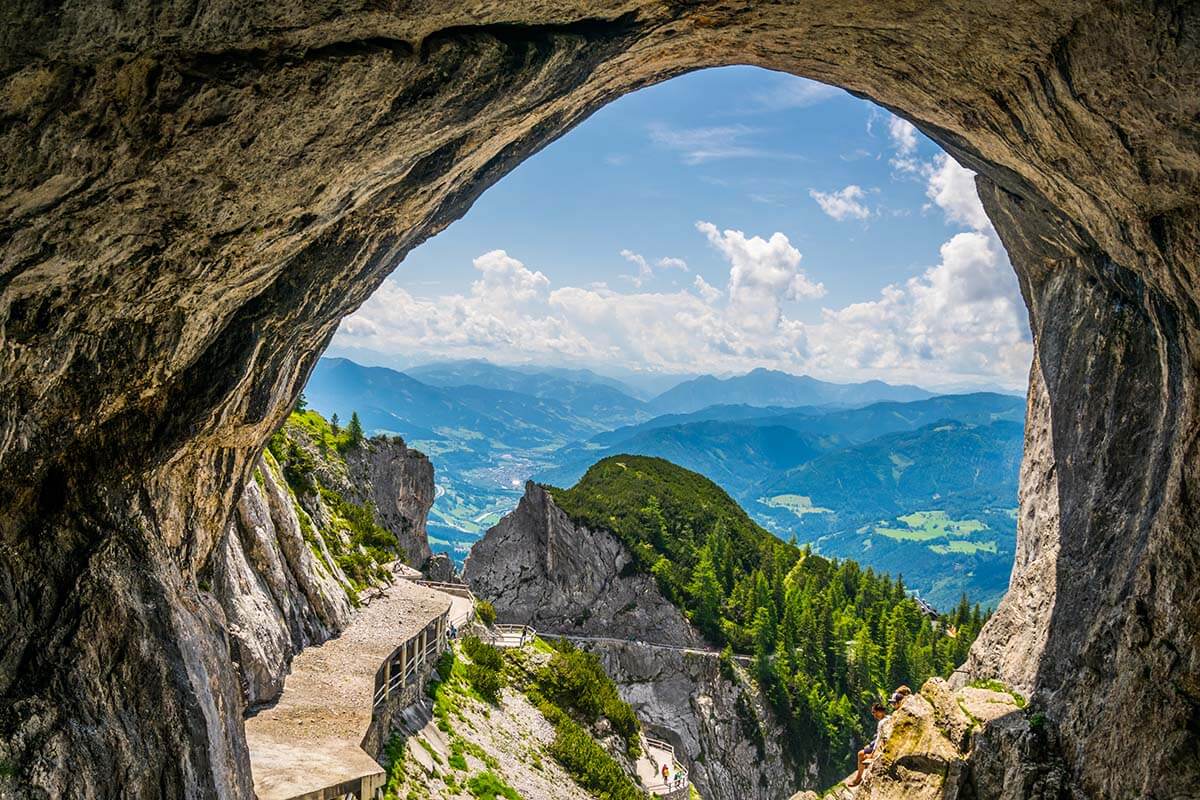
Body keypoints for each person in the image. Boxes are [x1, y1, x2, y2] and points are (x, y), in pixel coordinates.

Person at [846, 702, 888, 787]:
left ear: (880, 712)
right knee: (865, 750)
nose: (873, 715)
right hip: (878, 742)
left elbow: (879, 738)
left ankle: (858, 779)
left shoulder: (882, 723)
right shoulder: (888, 718)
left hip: (879, 744)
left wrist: (872, 754)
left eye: (874, 712)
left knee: (860, 754)